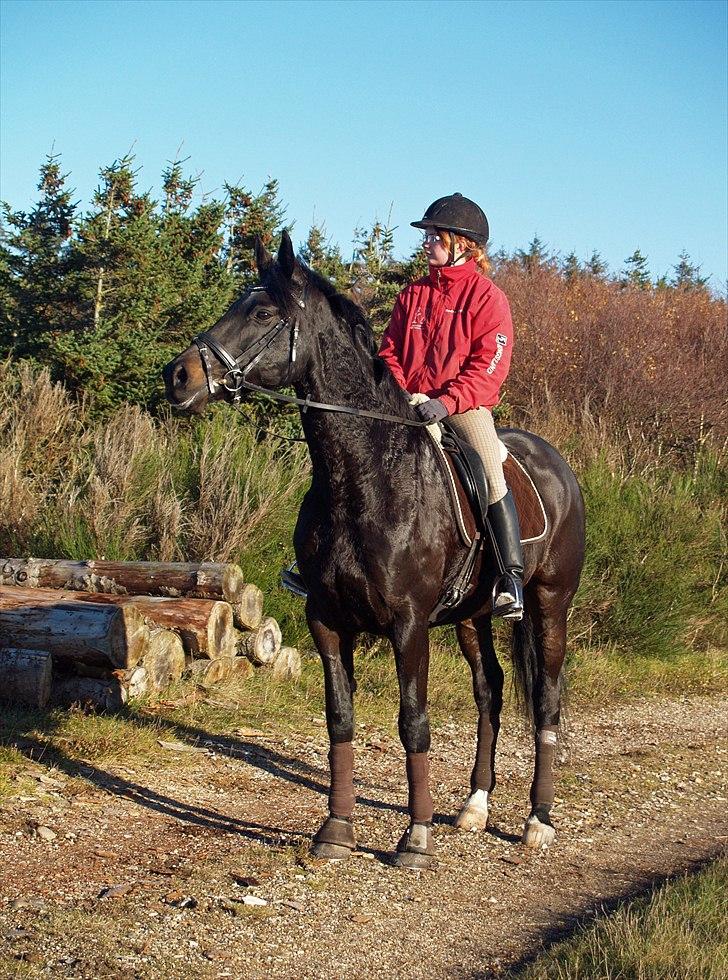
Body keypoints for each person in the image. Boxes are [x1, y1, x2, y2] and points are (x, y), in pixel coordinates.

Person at [378, 193, 524, 619]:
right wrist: (402, 392)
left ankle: (510, 578)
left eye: (434, 237)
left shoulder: (487, 298)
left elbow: (489, 366)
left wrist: (445, 402)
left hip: (462, 406)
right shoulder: (412, 295)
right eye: (426, 237)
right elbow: (389, 352)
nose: (426, 244)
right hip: (406, 402)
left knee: (488, 467)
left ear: (464, 244)